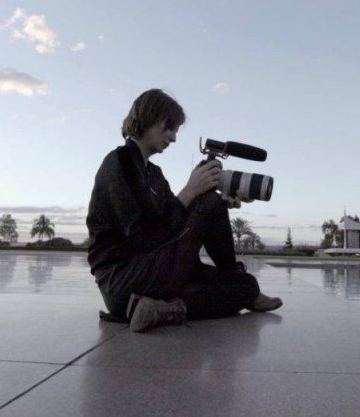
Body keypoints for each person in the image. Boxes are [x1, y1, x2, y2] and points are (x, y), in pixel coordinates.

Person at [86, 89, 282, 333]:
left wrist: (219, 201)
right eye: (169, 127)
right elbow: (142, 238)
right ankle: (230, 282)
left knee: (243, 287)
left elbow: (175, 223)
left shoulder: (154, 175)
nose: (174, 137)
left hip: (151, 280)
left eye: (176, 130)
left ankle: (158, 310)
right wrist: (192, 192)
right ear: (149, 117)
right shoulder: (119, 163)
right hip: (124, 279)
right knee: (208, 201)